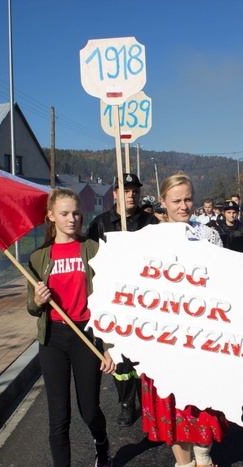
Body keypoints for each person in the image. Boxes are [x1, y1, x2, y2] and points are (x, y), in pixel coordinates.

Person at [141, 174, 227, 467]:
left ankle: (204, 452)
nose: (183, 206)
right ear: (163, 202)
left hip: (200, 334)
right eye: (176, 200)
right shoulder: (148, 239)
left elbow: (222, 282)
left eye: (187, 199)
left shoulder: (208, 235)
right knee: (169, 406)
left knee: (200, 401)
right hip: (162, 337)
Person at [27, 188, 116, 467]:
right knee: (58, 415)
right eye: (64, 213)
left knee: (89, 410)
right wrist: (38, 301)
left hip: (86, 335)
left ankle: (101, 441)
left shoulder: (94, 249)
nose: (72, 219)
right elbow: (32, 307)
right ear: (51, 216)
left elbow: (110, 301)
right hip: (53, 338)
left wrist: (108, 346)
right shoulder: (39, 257)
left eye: (76, 213)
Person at [86, 172, 157, 426]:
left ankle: (148, 403)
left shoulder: (151, 222)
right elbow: (91, 262)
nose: (131, 195)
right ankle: (127, 404)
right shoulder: (100, 223)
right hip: (114, 300)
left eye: (135, 190)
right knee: (120, 358)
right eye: (125, 191)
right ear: (115, 193)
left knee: (144, 356)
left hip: (145, 300)